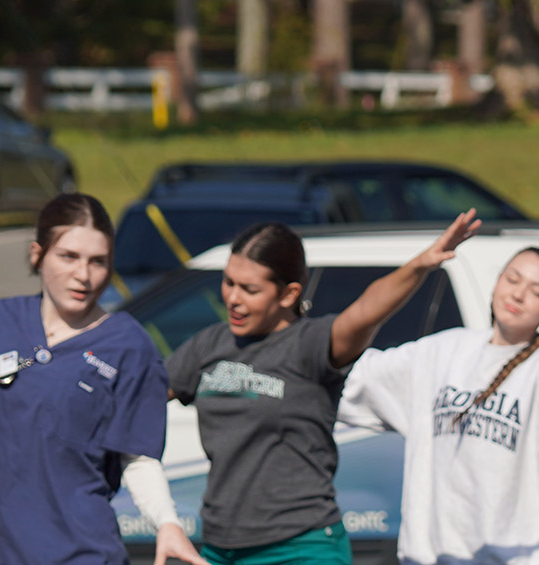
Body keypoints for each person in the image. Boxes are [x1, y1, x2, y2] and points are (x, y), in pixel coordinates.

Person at [164, 212, 479, 564]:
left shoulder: (310, 344)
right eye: (228, 283)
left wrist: (420, 265)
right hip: (221, 548)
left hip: (301, 548)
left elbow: (366, 311)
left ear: (289, 294)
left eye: (249, 290)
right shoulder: (209, 345)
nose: (233, 298)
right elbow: (141, 394)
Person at [0, 193, 202, 564]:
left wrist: (167, 523)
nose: (83, 275)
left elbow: (138, 457)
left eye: (98, 261)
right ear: (37, 254)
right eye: (69, 256)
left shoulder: (129, 346)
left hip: (75, 552)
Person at [337, 247, 539, 564]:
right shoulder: (443, 350)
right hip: (436, 556)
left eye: (537, 292)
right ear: (496, 283)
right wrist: (307, 353)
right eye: (512, 280)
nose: (518, 294)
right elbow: (355, 377)